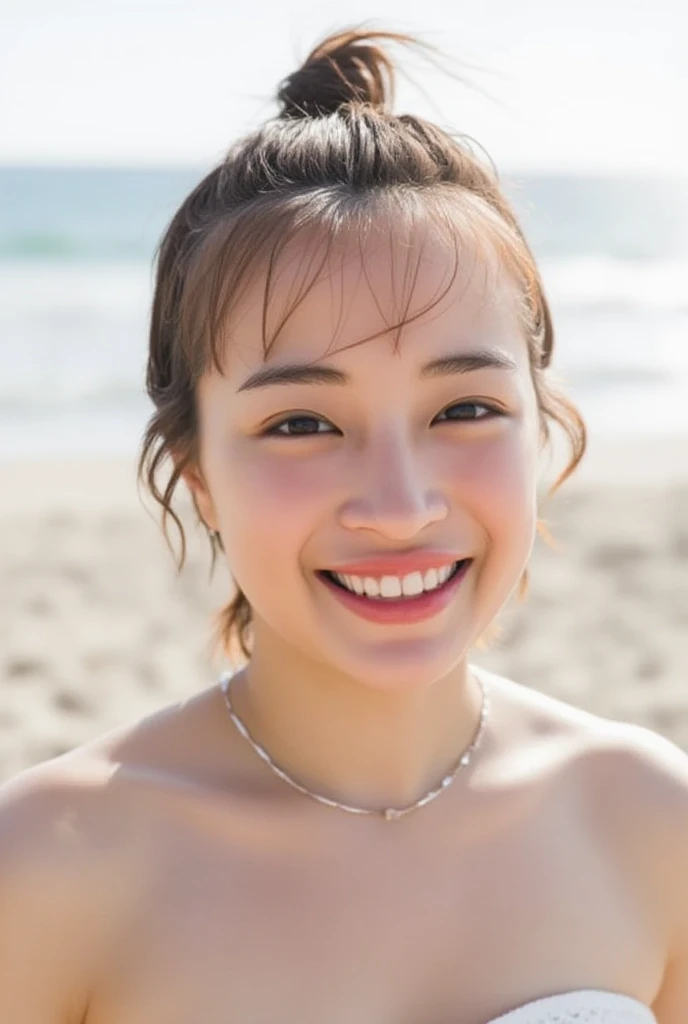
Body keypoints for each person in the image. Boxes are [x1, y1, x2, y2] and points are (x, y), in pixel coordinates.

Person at [0, 26, 686, 1024]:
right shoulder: (52, 864)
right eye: (302, 423)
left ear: (544, 429)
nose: (400, 505)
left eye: (463, 409)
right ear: (197, 475)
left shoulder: (646, 820)